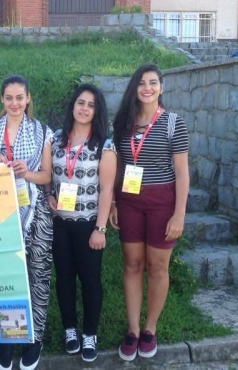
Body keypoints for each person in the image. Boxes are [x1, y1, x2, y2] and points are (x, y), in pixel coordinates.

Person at [110, 64, 189, 361]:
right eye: (141, 83)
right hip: (129, 200)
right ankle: (133, 330)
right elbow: (118, 166)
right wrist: (114, 202)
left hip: (162, 201)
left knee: (157, 266)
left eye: (153, 83)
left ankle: (150, 329)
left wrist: (179, 214)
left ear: (161, 88)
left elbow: (182, 172)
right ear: (135, 88)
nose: (147, 88)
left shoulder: (173, 123)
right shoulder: (124, 123)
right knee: (132, 264)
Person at [0, 75, 53, 370]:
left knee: (38, 274)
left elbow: (46, 176)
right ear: (1, 100)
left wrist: (26, 173)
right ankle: (7, 337)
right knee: (6, 274)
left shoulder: (42, 131)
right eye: (9, 98)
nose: (14, 103)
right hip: (0, 211)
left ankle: (35, 338)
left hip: (35, 212)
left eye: (20, 97)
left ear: (28, 98)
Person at [43, 84, 116, 362]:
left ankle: (89, 334)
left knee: (90, 279)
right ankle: (70, 330)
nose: (84, 109)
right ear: (72, 105)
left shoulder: (104, 145)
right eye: (81, 103)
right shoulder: (55, 139)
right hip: (60, 222)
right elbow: (47, 173)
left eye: (91, 105)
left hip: (88, 223)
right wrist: (48, 193)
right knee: (64, 277)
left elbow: (106, 190)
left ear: (97, 111)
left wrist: (100, 229)